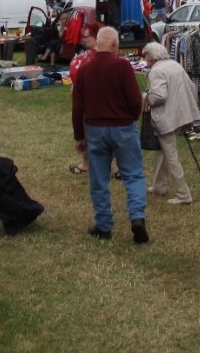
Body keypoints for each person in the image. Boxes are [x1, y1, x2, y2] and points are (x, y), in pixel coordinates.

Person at [71, 27, 149, 244]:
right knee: (133, 175)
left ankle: (104, 226)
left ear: (98, 44)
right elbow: (135, 100)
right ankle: (137, 218)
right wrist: (132, 118)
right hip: (123, 127)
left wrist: (79, 136)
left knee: (99, 179)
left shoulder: (85, 70)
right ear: (115, 45)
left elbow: (77, 107)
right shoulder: (122, 66)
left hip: (95, 129)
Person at [142, 42, 199, 205]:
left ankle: (184, 195)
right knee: (164, 152)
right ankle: (159, 186)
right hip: (179, 115)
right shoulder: (175, 65)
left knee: (171, 156)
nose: (145, 59)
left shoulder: (156, 71)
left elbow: (159, 96)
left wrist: (145, 96)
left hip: (166, 118)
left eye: (146, 56)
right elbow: (191, 87)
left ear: (152, 57)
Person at [67, 21, 104, 175]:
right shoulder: (93, 54)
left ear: (96, 36)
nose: (84, 39)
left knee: (89, 131)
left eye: (86, 36)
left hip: (93, 101)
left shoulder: (95, 57)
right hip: (93, 100)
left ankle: (88, 164)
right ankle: (91, 163)